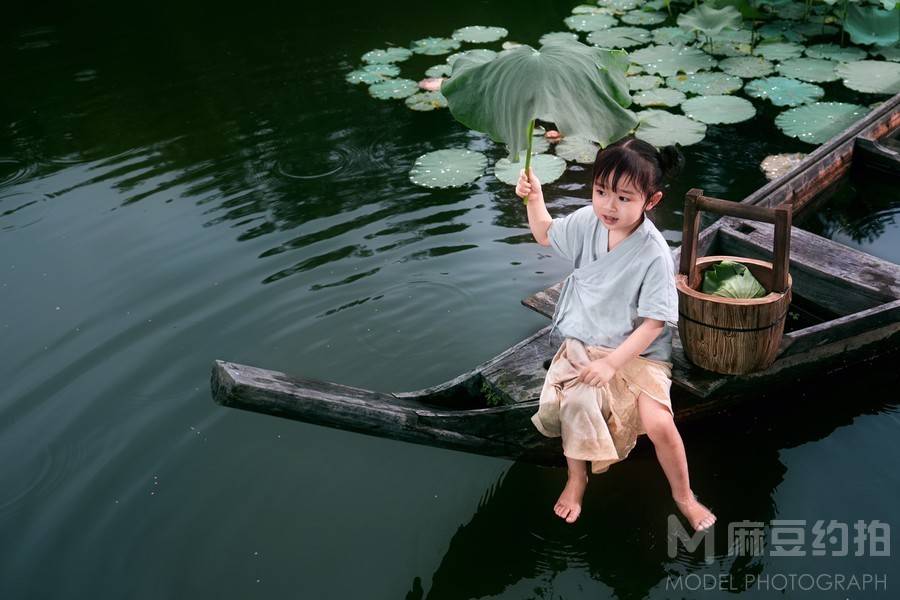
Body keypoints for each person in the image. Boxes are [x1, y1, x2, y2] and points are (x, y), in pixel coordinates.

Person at [515, 135, 716, 532]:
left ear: (651, 202)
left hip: (636, 352)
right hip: (586, 338)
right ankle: (577, 477)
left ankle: (684, 496)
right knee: (574, 401)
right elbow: (544, 233)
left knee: (659, 425)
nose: (609, 205)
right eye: (602, 192)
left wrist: (612, 363)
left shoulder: (653, 253)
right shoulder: (588, 222)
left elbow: (655, 324)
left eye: (624, 198)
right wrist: (534, 197)